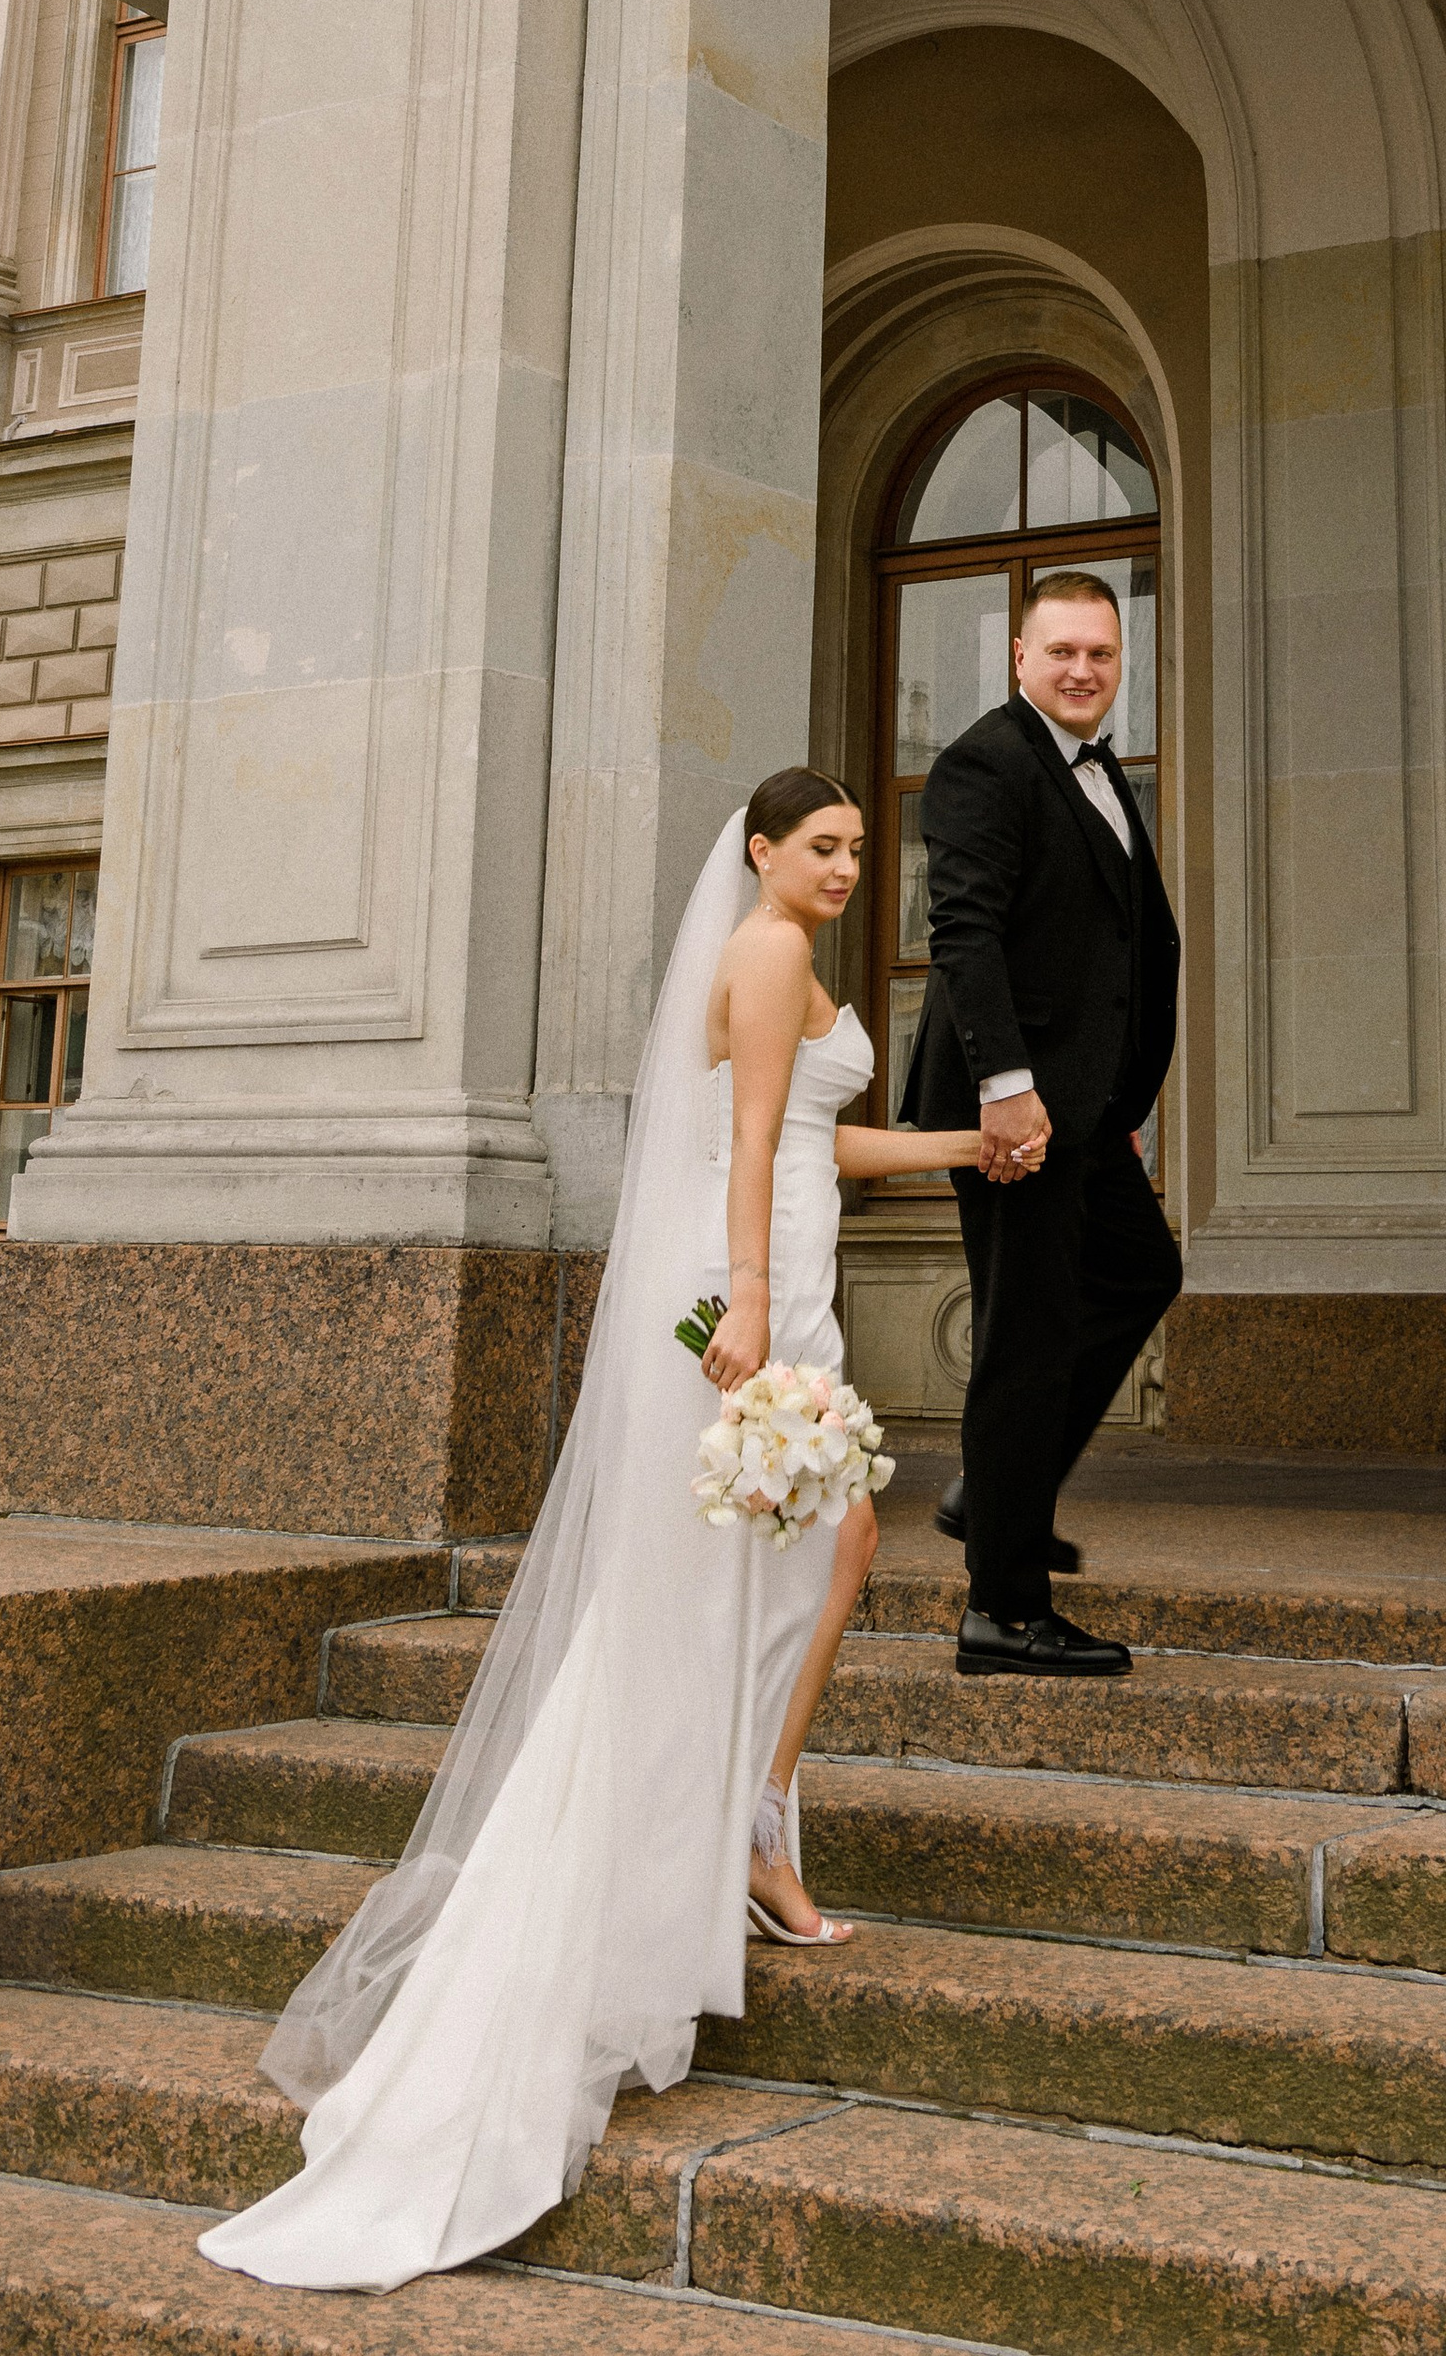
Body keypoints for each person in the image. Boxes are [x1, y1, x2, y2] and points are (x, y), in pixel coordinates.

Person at [196, 766, 1012, 2296]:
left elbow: (822, 1137)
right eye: (819, 845)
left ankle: (748, 1819)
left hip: (775, 1278)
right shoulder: (765, 948)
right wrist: (757, 1313)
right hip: (745, 1297)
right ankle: (739, 1835)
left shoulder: (791, 957)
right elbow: (755, 1135)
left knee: (803, 1563)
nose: (844, 866)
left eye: (855, 848)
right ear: (760, 850)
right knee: (778, 1570)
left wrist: (966, 1150)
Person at [901, 569, 1184, 1676]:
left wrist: (1112, 1106)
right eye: (1060, 651)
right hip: (1011, 1107)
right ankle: (1001, 1612)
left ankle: (995, 1487)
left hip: (1081, 1110)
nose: (1081, 670)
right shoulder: (987, 760)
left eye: (1101, 656)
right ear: (1019, 656)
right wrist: (1005, 1087)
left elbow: (1116, 950)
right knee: (1024, 1335)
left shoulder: (1099, 764)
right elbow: (963, 931)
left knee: (1137, 1271)